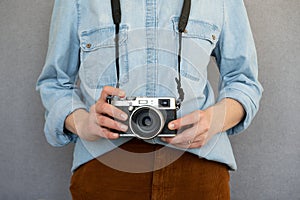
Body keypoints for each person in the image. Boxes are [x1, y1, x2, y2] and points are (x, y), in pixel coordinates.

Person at [36, 0, 263, 199]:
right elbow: (55, 83)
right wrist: (84, 123)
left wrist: (213, 121)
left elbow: (244, 81)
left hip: (199, 168)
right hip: (104, 169)